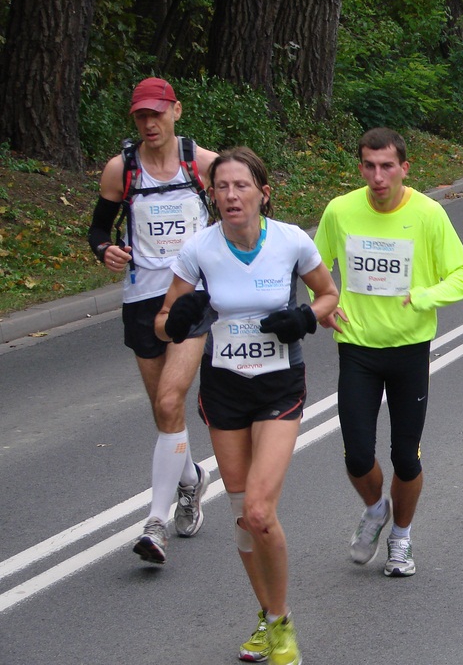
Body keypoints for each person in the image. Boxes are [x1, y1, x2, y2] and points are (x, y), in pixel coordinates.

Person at [155, 147, 339, 665]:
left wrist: (304, 318)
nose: (232, 195)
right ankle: (269, 616)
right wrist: (178, 318)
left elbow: (328, 295)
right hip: (225, 388)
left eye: (242, 186)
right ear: (211, 195)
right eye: (222, 187)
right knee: (242, 517)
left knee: (260, 511)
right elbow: (163, 321)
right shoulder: (199, 249)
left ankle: (280, 623)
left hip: (278, 386)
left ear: (263, 192)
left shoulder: (291, 241)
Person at [314, 128, 463, 579]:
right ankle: (375, 509)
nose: (378, 176)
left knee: (406, 457)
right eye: (369, 166)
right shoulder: (340, 211)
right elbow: (312, 265)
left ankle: (401, 538)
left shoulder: (428, 213)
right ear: (360, 167)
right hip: (358, 347)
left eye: (387, 166)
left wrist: (423, 297)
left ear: (405, 168)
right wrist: (322, 307)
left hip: (409, 349)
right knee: (357, 455)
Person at [87, 77, 217, 565]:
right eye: (141, 116)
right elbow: (98, 229)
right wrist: (105, 249)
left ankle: (155, 523)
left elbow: (244, 211)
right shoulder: (121, 169)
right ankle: (192, 479)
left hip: (192, 298)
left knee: (168, 399)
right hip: (142, 299)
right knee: (164, 413)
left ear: (176, 111)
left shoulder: (203, 165)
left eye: (156, 114)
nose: (149, 123)